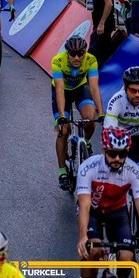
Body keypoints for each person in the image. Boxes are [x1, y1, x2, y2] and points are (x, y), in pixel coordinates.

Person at [76, 128, 139, 278]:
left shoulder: (133, 171)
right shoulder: (88, 167)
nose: (117, 159)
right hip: (93, 211)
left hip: (117, 212)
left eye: (122, 154)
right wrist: (82, 237)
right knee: (93, 249)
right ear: (104, 150)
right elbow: (85, 205)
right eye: (113, 154)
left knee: (127, 257)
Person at [52, 36, 104, 191]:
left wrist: (101, 113)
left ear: (84, 52)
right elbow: (60, 89)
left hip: (81, 89)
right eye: (73, 53)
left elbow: (94, 87)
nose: (76, 57)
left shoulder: (91, 60)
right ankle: (62, 171)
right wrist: (62, 116)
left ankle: (86, 142)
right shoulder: (57, 61)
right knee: (64, 130)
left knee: (90, 117)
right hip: (62, 92)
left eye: (80, 53)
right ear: (67, 53)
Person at [103, 66, 139, 174]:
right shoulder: (117, 100)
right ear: (126, 88)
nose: (137, 95)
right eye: (133, 90)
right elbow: (109, 130)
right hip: (119, 138)